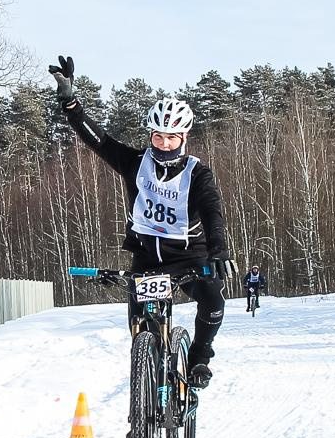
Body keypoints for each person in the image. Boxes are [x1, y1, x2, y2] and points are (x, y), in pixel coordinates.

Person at [49, 56, 234, 389]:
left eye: (172, 137)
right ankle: (145, 402)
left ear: (184, 137)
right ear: (151, 134)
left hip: (190, 256)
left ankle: (199, 357)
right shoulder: (135, 162)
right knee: (142, 333)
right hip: (147, 259)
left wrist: (219, 250)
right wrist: (71, 105)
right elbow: (99, 141)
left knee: (213, 300)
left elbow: (212, 211)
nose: (164, 143)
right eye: (159, 136)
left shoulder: (197, 173)